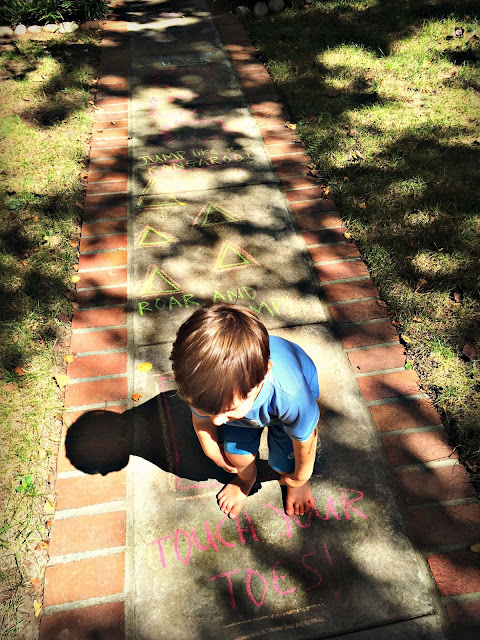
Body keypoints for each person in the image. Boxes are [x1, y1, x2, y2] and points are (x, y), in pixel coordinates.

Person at [170, 303, 320, 519]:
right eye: (209, 410)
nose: (217, 421)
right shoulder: (202, 390)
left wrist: (300, 477)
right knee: (236, 456)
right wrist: (211, 450)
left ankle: (295, 482)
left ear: (264, 375)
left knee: (284, 463)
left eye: (228, 409)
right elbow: (202, 420)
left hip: (282, 409)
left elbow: (306, 441)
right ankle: (245, 479)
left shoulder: (291, 394)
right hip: (248, 412)